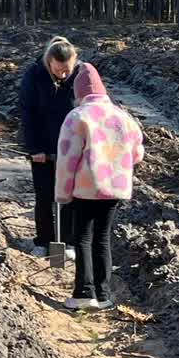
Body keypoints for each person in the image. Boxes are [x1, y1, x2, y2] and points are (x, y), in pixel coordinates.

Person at [54, 64, 144, 311]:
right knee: (102, 237)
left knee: (83, 237)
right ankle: (103, 295)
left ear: (79, 92)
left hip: (86, 187)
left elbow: (67, 160)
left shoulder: (77, 117)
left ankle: (84, 293)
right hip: (115, 187)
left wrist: (62, 193)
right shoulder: (123, 117)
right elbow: (137, 153)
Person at [19, 36, 81, 260]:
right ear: (49, 62)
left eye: (67, 70)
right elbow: (28, 113)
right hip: (43, 147)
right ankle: (44, 240)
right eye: (58, 70)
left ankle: (68, 242)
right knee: (44, 194)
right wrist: (34, 148)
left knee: (70, 196)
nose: (63, 75)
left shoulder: (80, 74)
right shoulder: (34, 74)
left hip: (72, 146)